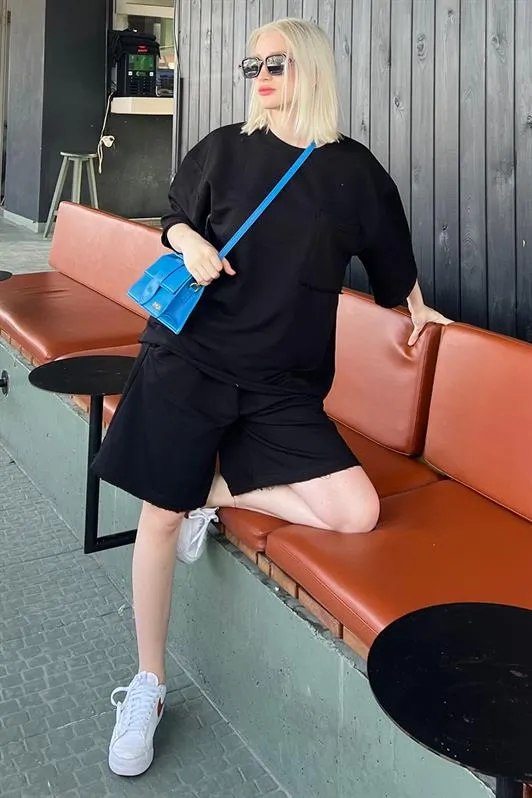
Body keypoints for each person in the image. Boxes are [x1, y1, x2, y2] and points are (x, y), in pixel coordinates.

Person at [93, 17, 451, 778]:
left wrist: (419, 309)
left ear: (310, 68)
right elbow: (174, 217)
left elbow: (392, 256)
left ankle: (208, 493)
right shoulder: (224, 148)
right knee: (158, 516)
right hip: (191, 357)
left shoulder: (353, 172)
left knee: (356, 510)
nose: (260, 75)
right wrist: (189, 242)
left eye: (276, 63)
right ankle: (149, 681)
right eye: (252, 64)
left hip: (282, 385)